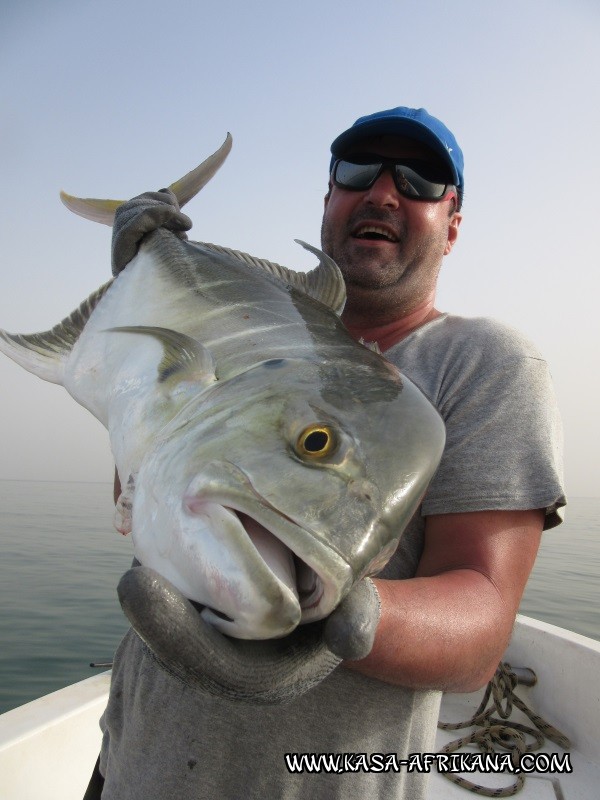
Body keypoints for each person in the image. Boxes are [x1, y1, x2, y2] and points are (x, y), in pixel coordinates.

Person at [91, 107, 565, 800]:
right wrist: (142, 290)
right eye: (357, 172)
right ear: (328, 202)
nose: (382, 192)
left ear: (453, 225)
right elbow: (134, 493)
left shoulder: (483, 365)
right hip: (132, 764)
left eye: (420, 181)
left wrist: (346, 622)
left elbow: (481, 628)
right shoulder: (246, 337)